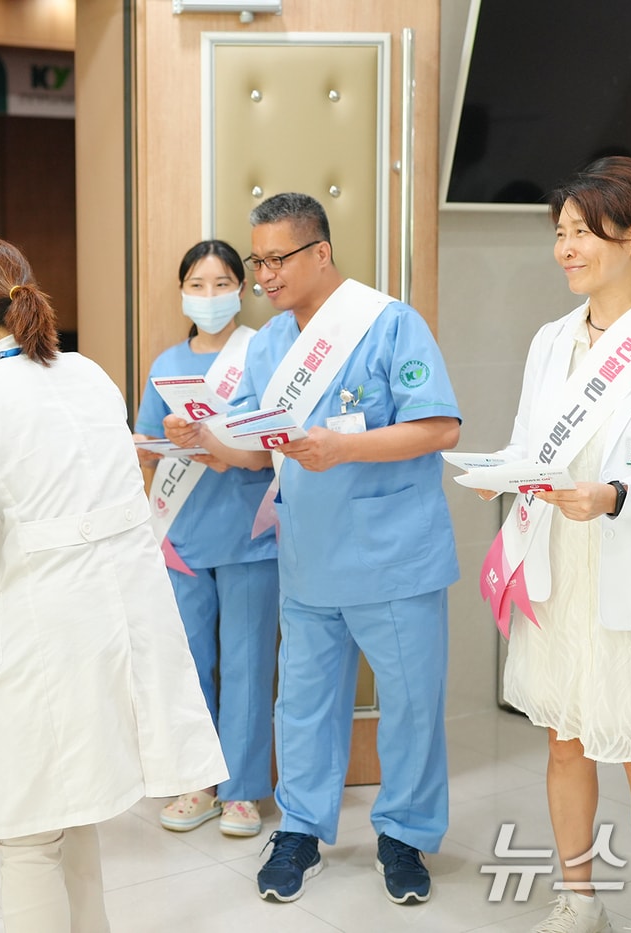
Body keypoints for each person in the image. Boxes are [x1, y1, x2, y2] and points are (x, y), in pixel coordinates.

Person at [0, 235, 227, 933]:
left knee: (27, 828)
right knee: (74, 808)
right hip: (122, 616)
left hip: (51, 627)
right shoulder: (88, 373)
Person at [166, 192, 461, 907]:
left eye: (276, 259)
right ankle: (299, 830)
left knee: (411, 706)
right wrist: (206, 440)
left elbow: (440, 427)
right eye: (257, 260)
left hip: (393, 555)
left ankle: (404, 835)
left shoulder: (389, 323)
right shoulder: (268, 344)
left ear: (320, 252)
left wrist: (344, 447)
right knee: (301, 705)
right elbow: (258, 451)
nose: (262, 275)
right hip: (307, 557)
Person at [476, 157, 631, 933]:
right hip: (561, 576)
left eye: (582, 232)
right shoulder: (552, 340)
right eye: (560, 232)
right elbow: (531, 442)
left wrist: (618, 496)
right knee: (565, 744)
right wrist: (499, 473)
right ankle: (579, 899)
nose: (566, 248)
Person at [133, 239, 278, 838]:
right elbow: (145, 445)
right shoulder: (166, 364)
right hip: (183, 536)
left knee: (248, 664)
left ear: (241, 289)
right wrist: (164, 441)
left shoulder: (263, 352)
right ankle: (198, 783)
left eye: (221, 284)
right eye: (197, 284)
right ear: (181, 291)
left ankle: (242, 791)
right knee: (189, 665)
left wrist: (226, 443)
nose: (209, 295)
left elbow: (276, 440)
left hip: (249, 535)